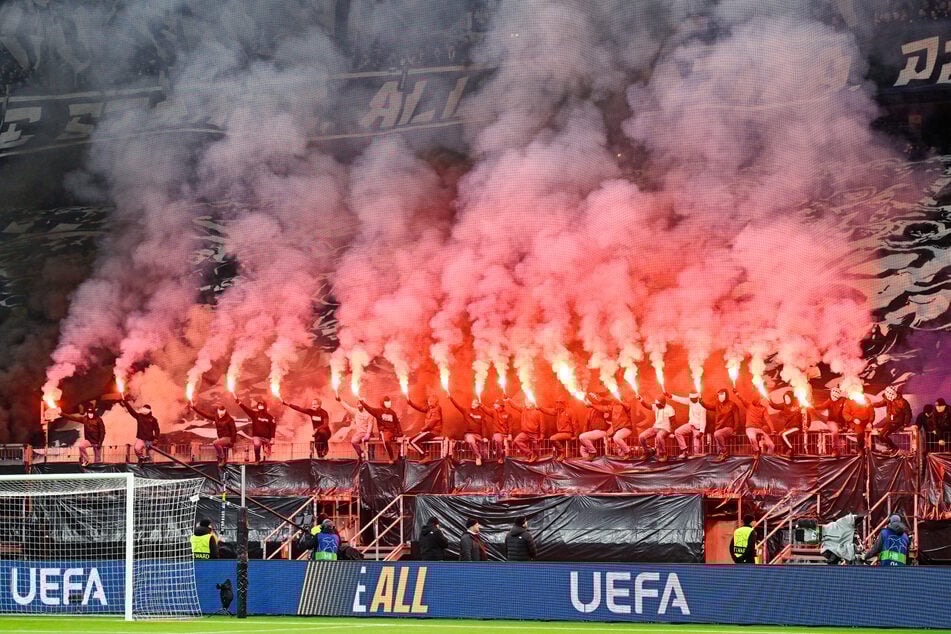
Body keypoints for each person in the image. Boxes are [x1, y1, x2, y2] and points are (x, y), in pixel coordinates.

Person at [699, 388, 741, 462]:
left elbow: (737, 418)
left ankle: (724, 452)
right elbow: (708, 406)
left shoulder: (732, 404)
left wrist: (735, 430)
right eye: (719, 394)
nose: (720, 396)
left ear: (726, 395)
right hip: (719, 428)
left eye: (722, 394)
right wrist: (702, 402)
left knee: (717, 434)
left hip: (729, 428)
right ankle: (721, 457)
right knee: (719, 448)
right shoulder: (717, 404)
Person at [190, 402, 237, 466]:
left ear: (225, 411)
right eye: (219, 411)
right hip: (221, 438)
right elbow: (205, 414)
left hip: (228, 438)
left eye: (222, 411)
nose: (221, 413)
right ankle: (223, 462)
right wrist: (194, 408)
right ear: (218, 411)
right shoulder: (216, 417)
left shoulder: (230, 419)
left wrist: (232, 441)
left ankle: (222, 458)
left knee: (215, 443)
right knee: (223, 454)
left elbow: (234, 430)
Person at [732, 388, 775, 457]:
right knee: (752, 438)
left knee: (771, 445)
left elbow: (768, 419)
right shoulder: (749, 405)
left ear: (759, 400)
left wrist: (773, 430)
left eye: (758, 399)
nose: (756, 401)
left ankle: (767, 458)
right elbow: (742, 399)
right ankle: (756, 451)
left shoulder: (763, 408)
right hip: (750, 428)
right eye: (755, 399)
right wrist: (736, 393)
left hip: (759, 429)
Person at [360, 396, 403, 463]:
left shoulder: (393, 412)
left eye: (389, 401)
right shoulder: (378, 411)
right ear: (383, 403)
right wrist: (363, 404)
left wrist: (400, 431)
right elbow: (369, 409)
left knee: (401, 443)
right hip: (384, 431)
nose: (388, 403)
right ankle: (391, 457)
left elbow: (397, 423)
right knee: (386, 440)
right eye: (386, 402)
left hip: (393, 432)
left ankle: (400, 458)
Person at [871, 387, 913, 454]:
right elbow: (880, 403)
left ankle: (894, 448)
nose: (889, 398)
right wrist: (872, 405)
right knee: (880, 435)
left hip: (897, 422)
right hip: (889, 422)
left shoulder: (903, 402)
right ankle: (891, 447)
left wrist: (905, 424)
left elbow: (908, 414)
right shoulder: (887, 400)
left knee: (882, 435)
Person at [120, 397, 160, 464]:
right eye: (143, 408)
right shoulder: (139, 417)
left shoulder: (153, 419)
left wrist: (156, 438)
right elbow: (131, 411)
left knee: (151, 456)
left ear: (149, 410)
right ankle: (141, 458)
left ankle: (151, 467)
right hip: (141, 439)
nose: (144, 409)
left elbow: (157, 429)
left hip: (150, 440)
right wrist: (126, 403)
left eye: (145, 409)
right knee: (137, 448)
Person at [770, 391, 810, 458]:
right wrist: (769, 400)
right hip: (788, 427)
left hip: (796, 427)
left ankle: (791, 450)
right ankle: (788, 451)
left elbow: (807, 417)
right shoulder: (784, 405)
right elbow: (775, 406)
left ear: (791, 398)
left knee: (782, 434)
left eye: (788, 397)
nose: (786, 399)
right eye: (785, 398)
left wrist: (807, 426)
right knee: (782, 436)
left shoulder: (799, 405)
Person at [449, 393, 486, 465]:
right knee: (471, 441)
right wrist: (451, 398)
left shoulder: (482, 414)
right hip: (469, 434)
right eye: (472, 402)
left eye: (475, 403)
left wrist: (484, 437)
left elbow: (484, 426)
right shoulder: (466, 410)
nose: (473, 404)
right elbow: (457, 406)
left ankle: (484, 459)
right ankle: (478, 457)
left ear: (478, 404)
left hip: (478, 435)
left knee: (485, 452)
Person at [636, 394, 675, 461]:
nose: (656, 405)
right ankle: (647, 452)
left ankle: (663, 454)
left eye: (658, 404)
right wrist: (641, 400)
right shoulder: (656, 406)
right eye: (656, 404)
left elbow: (673, 422)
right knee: (641, 437)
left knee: (659, 436)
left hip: (665, 429)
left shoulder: (670, 408)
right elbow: (648, 406)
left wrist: (672, 432)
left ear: (663, 403)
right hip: (656, 427)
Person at [336, 395, 375, 461]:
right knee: (353, 441)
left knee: (371, 451)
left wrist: (367, 435)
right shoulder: (356, 411)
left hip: (369, 433)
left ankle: (371, 460)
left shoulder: (369, 413)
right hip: (359, 433)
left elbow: (370, 425)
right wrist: (340, 400)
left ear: (364, 404)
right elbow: (347, 407)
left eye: (361, 403)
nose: (359, 405)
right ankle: (361, 454)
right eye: (358, 404)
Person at [507, 397, 545, 462]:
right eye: (525, 401)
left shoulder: (538, 412)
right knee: (517, 440)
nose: (526, 403)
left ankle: (537, 460)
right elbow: (515, 406)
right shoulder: (523, 410)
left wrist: (542, 435)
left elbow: (542, 425)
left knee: (537, 451)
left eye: (527, 402)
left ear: (531, 403)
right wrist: (508, 399)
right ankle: (531, 454)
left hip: (534, 434)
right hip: (525, 433)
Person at [670, 392, 706, 458]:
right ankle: (685, 451)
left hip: (698, 429)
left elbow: (703, 420)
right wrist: (671, 396)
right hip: (690, 425)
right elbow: (680, 399)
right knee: (677, 432)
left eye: (693, 399)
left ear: (697, 398)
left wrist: (701, 432)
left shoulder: (702, 406)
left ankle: (696, 462)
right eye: (690, 398)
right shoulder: (690, 401)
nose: (691, 400)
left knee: (696, 450)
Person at [406, 394, 443, 459]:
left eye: (430, 401)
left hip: (432, 432)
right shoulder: (430, 409)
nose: (428, 403)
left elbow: (431, 424)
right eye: (428, 401)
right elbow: (420, 408)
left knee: (412, 441)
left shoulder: (436, 410)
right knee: (413, 441)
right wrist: (411, 403)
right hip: (429, 431)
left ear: (434, 401)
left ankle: (425, 455)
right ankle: (423, 457)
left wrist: (422, 430)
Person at [813, 387, 846, 456]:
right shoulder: (829, 401)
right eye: (832, 395)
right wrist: (813, 407)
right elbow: (821, 406)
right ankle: (835, 450)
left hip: (841, 423)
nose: (834, 397)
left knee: (844, 436)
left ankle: (847, 451)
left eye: (836, 395)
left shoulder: (843, 400)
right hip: (831, 422)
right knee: (835, 430)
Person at [578, 395, 612, 460]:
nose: (586, 402)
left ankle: (593, 452)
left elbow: (603, 408)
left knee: (582, 437)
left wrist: (593, 405)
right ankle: (590, 463)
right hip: (594, 433)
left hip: (602, 431)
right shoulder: (589, 412)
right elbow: (586, 425)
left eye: (588, 401)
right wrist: (582, 441)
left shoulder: (599, 408)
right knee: (582, 449)